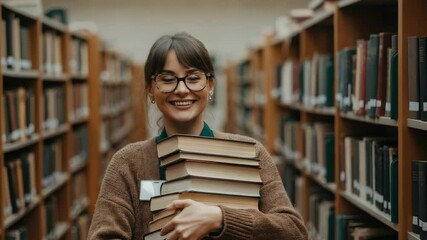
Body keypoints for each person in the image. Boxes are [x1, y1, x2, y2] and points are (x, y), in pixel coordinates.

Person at [88, 32, 308, 240]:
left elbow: (295, 231)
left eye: (193, 78)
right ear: (150, 89)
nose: (182, 89)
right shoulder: (127, 163)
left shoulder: (252, 154)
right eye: (167, 79)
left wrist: (221, 218)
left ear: (210, 85)